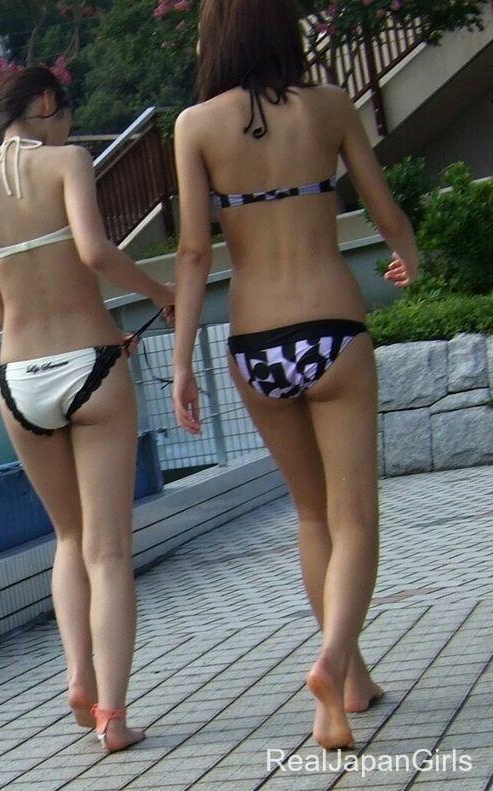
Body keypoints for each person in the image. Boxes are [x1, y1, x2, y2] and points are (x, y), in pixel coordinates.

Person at [172, 0, 418, 750]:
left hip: (255, 343)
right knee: (355, 517)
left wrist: (180, 361)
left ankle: (352, 684)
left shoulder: (195, 126)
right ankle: (334, 663)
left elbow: (193, 253)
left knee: (312, 517)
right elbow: (382, 207)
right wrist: (411, 255)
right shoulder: (330, 107)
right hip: (332, 326)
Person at [0, 66, 174, 753]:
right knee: (109, 550)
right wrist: (162, 292)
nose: (69, 127)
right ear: (48, 103)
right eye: (66, 113)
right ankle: (113, 715)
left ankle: (78, 674)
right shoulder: (69, 162)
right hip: (91, 363)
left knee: (69, 539)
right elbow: (95, 251)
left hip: (19, 378)